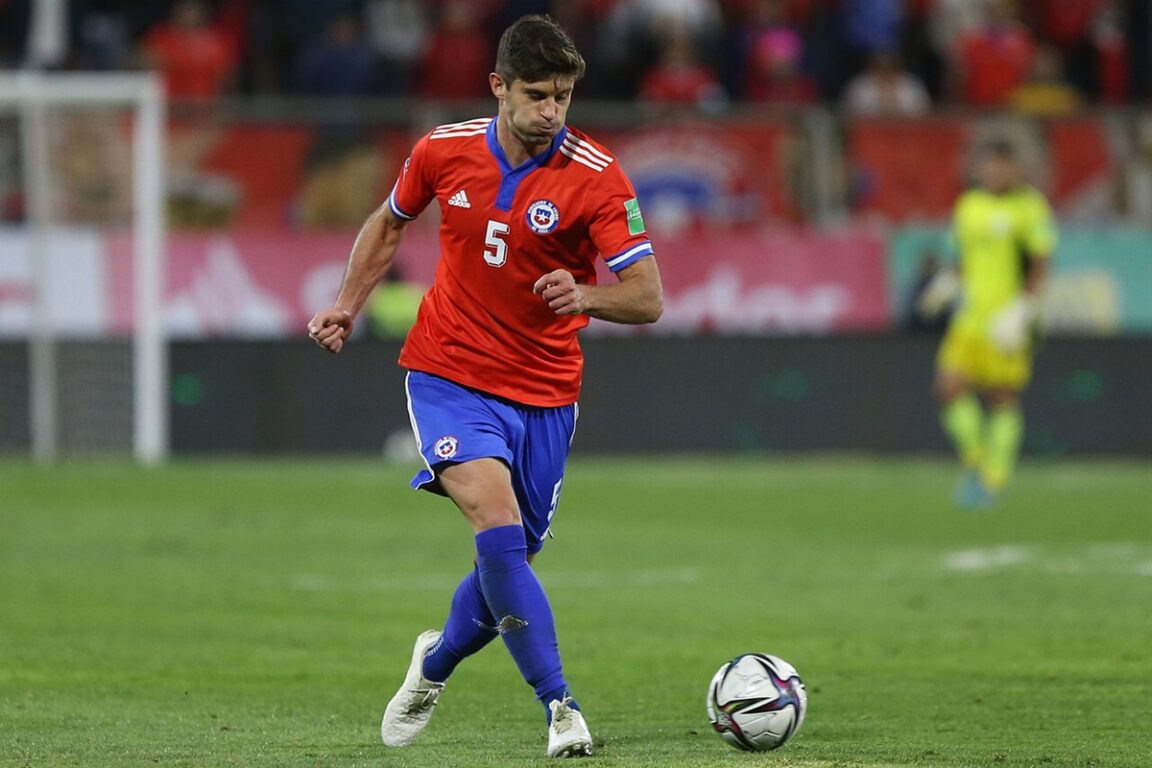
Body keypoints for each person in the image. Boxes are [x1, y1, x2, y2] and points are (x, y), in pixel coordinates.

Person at [307, 14, 663, 758]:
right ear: (499, 86)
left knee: (510, 558)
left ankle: (433, 665)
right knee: (496, 528)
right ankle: (560, 707)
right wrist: (346, 304)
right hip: (449, 372)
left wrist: (588, 295)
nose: (552, 111)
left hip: (545, 392)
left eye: (564, 96)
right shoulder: (443, 150)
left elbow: (648, 296)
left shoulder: (597, 177)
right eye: (537, 94)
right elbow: (389, 221)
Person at [935, 140, 1057, 509]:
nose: (996, 173)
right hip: (970, 317)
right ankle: (976, 459)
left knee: (1001, 396)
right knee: (948, 388)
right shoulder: (968, 205)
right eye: (990, 166)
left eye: (1003, 167)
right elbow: (963, 256)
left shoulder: (1029, 207)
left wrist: (1026, 308)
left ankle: (993, 477)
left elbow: (1040, 262)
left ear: (1016, 170)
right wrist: (948, 281)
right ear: (980, 169)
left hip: (1006, 319)